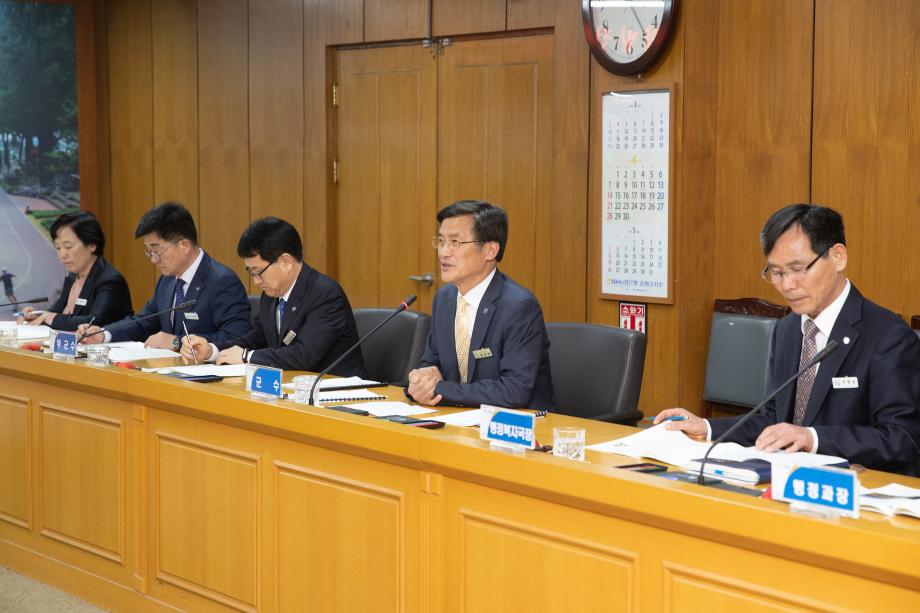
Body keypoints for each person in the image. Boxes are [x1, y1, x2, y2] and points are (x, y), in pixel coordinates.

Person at [654, 204, 920, 475]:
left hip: (854, 487)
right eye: (777, 273)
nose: (787, 285)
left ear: (838, 257)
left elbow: (903, 440)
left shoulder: (888, 336)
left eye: (798, 269)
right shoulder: (788, 329)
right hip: (784, 480)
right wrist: (706, 427)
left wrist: (812, 438)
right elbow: (773, 418)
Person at [407, 200, 554, 410]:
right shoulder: (444, 298)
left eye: (455, 242)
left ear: (490, 250)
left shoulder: (519, 307)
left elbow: (513, 391)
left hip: (518, 423)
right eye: (441, 241)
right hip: (457, 417)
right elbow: (433, 360)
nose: (443, 252)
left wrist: (439, 388)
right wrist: (423, 378)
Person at [180, 217, 366, 376]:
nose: (256, 281)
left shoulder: (325, 294)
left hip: (336, 395)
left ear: (286, 262)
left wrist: (246, 356)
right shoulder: (271, 295)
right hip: (290, 388)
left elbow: (304, 355)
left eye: (259, 272)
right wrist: (212, 350)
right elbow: (255, 339)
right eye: (251, 273)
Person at [79, 202, 250, 349]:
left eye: (157, 251)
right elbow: (144, 321)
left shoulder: (222, 281)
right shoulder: (167, 280)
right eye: (149, 252)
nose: (153, 260)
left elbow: (236, 337)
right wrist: (103, 334)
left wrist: (176, 342)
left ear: (184, 245)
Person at [18, 211, 133, 330]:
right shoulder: (73, 276)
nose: (62, 254)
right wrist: (38, 316)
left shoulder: (110, 281)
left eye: (68, 246)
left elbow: (93, 322)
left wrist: (49, 317)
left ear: (92, 245)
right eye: (58, 247)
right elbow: (57, 312)